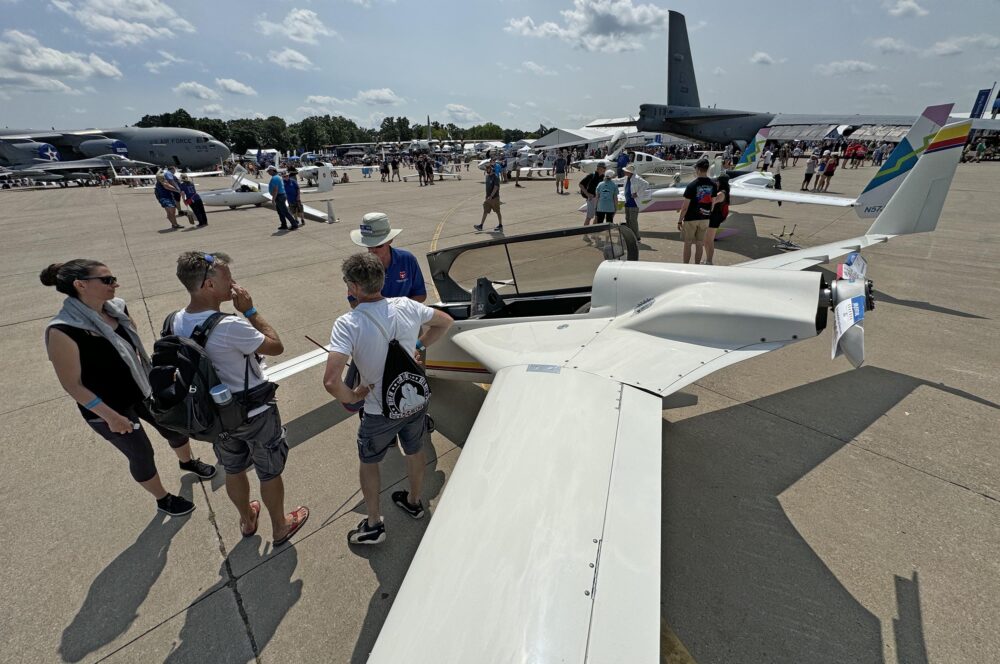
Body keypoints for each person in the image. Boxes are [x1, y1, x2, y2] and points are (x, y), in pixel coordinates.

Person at [42, 259, 216, 518]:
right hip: (107, 407)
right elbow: (72, 385)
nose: (115, 284)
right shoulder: (63, 330)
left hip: (142, 390)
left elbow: (135, 350)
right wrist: (111, 417)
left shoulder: (117, 308)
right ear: (81, 285)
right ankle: (163, 498)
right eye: (107, 280)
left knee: (174, 428)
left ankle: (186, 461)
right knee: (142, 453)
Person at [169, 251, 308, 545]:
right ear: (208, 285)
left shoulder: (175, 321)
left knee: (232, 468)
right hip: (253, 412)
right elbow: (276, 346)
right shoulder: (229, 325)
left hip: (215, 417)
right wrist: (249, 310)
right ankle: (280, 526)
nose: (234, 283)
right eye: (227, 278)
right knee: (268, 470)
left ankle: (247, 519)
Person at [323, 253, 454, 545]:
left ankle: (373, 523)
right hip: (414, 402)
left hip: (378, 411)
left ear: (354, 287)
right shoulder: (407, 305)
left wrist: (354, 395)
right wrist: (419, 345)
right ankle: (415, 500)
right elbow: (445, 322)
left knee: (369, 462)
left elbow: (331, 381)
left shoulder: (348, 323)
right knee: (415, 449)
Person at [348, 212, 427, 306]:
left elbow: (421, 295)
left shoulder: (407, 260)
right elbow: (353, 302)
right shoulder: (359, 267)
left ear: (390, 240)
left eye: (378, 246)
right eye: (369, 246)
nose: (372, 251)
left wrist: (397, 310)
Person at [676, 159, 717, 265]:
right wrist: (708, 214)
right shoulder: (713, 184)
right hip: (705, 218)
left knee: (688, 243)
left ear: (698, 169)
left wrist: (680, 220)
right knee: (700, 244)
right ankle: (697, 265)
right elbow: (713, 202)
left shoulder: (692, 185)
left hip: (691, 219)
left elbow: (685, 207)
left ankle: (686, 265)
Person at [704, 174, 730, 265]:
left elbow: (711, 202)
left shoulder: (722, 193)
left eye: (717, 181)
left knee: (709, 240)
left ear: (721, 182)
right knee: (706, 240)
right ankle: (708, 259)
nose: (716, 183)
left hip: (714, 218)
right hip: (714, 217)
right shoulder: (723, 191)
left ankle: (709, 261)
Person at [266, 165, 299, 231]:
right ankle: (283, 225)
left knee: (285, 211)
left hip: (279, 196)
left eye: (269, 171)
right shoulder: (278, 177)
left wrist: (273, 199)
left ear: (272, 171)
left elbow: (276, 189)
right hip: (281, 195)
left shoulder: (275, 178)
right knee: (280, 212)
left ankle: (294, 224)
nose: (268, 172)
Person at [622, 165, 648, 241]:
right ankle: (630, 236)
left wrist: (638, 193)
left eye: (626, 171)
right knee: (628, 219)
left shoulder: (637, 178)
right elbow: (619, 180)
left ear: (629, 172)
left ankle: (637, 237)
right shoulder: (627, 178)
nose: (624, 172)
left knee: (633, 220)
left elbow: (646, 184)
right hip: (627, 202)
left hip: (634, 203)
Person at [475, 164, 503, 233]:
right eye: (486, 168)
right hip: (488, 199)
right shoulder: (487, 177)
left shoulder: (495, 177)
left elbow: (496, 187)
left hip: (494, 198)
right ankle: (481, 225)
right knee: (485, 211)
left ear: (491, 169)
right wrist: (487, 196)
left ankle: (500, 225)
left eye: (488, 168)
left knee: (498, 212)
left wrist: (491, 196)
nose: (487, 170)